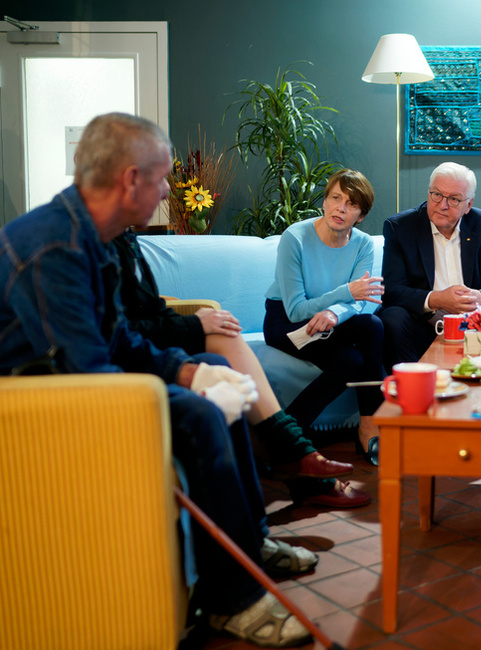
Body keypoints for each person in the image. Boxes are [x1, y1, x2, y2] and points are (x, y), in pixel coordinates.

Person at [0, 112, 314, 647]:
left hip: (73, 375)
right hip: (36, 401)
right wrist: (181, 386)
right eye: (163, 177)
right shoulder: (55, 248)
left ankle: (246, 543)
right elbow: (87, 369)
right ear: (130, 180)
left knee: (216, 374)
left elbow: (116, 338)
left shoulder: (94, 236)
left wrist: (189, 369)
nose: (169, 188)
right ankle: (229, 601)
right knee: (197, 408)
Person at [113, 230, 370, 509]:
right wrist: (186, 354)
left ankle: (293, 468)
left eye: (352, 204)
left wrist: (194, 320)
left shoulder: (124, 239)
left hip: (148, 341)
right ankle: (298, 457)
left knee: (364, 340)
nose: (165, 191)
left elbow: (150, 311)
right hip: (117, 369)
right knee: (222, 377)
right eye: (158, 183)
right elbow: (112, 335)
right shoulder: (86, 244)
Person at [263, 168, 386, 465]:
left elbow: (360, 302)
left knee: (367, 333)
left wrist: (334, 311)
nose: (341, 208)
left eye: (352, 204)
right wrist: (344, 293)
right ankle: (372, 425)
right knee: (359, 347)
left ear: (361, 215)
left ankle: (285, 435)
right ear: (324, 202)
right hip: (287, 322)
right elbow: (295, 309)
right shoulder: (295, 238)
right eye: (335, 198)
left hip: (330, 320)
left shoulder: (363, 244)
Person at [379, 162, 481, 369]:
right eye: (436, 195)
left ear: (468, 205)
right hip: (424, 321)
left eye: (453, 199)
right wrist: (437, 299)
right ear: (429, 193)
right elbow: (391, 290)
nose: (442, 205)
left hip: (478, 321)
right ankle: (410, 389)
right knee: (393, 316)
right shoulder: (400, 227)